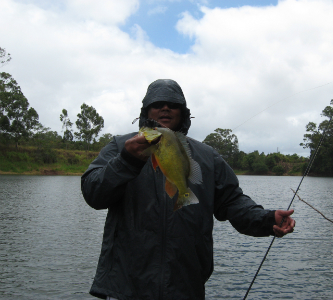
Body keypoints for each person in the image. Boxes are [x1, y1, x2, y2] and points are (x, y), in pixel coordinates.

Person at [81, 79, 295, 300]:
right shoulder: (122, 147)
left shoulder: (207, 156)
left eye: (173, 105)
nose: (165, 108)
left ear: (183, 113)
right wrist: (126, 161)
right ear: (146, 111)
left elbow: (233, 201)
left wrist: (266, 219)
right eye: (158, 104)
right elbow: (92, 193)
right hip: (125, 288)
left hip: (185, 286)